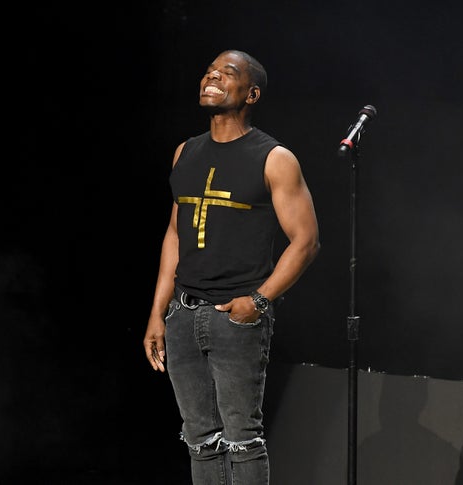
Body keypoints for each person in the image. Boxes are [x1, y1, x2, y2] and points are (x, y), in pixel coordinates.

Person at [143, 49, 320, 484]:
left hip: (235, 317)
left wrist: (257, 301)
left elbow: (306, 241)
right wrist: (158, 312)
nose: (212, 77)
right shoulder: (186, 151)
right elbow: (174, 233)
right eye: (209, 71)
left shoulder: (274, 157)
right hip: (183, 313)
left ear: (252, 93)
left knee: (242, 439)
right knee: (199, 439)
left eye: (228, 73)